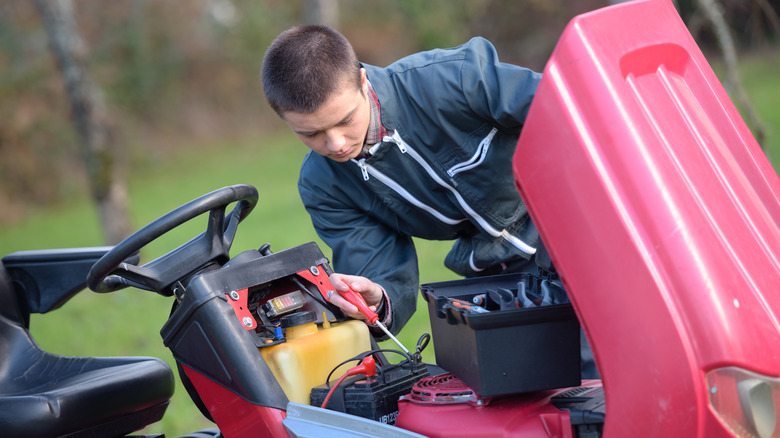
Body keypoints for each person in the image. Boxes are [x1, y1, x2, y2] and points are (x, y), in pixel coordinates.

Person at [260, 25, 597, 378]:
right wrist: (378, 296)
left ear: (362, 82)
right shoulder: (323, 184)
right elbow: (379, 267)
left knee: (596, 376)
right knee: (521, 389)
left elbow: (568, 107)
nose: (336, 144)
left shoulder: (452, 78)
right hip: (498, 274)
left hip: (577, 229)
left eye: (345, 120)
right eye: (310, 133)